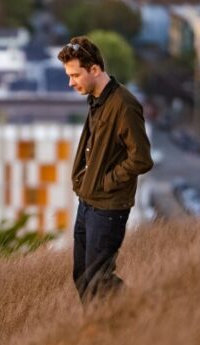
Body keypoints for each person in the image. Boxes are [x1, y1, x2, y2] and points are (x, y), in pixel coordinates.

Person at [58, 36, 154, 303]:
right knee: (82, 276)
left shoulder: (124, 104)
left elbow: (142, 159)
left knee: (99, 277)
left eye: (75, 75)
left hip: (108, 206)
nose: (71, 82)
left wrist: (106, 181)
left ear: (95, 70)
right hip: (87, 202)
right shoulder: (96, 100)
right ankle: (99, 331)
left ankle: (141, 310)